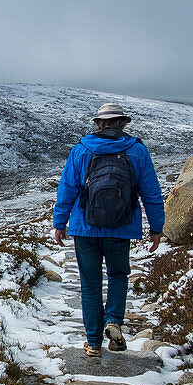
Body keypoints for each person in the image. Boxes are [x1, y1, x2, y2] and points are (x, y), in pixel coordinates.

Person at [52, 103, 164, 358]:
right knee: (118, 275)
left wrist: (60, 222)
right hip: (121, 226)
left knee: (90, 285)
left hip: (85, 227)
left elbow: (67, 189)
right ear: (122, 123)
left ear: (98, 123)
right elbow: (152, 193)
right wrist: (156, 227)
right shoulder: (137, 151)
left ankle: (93, 343)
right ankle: (113, 320)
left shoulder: (81, 150)